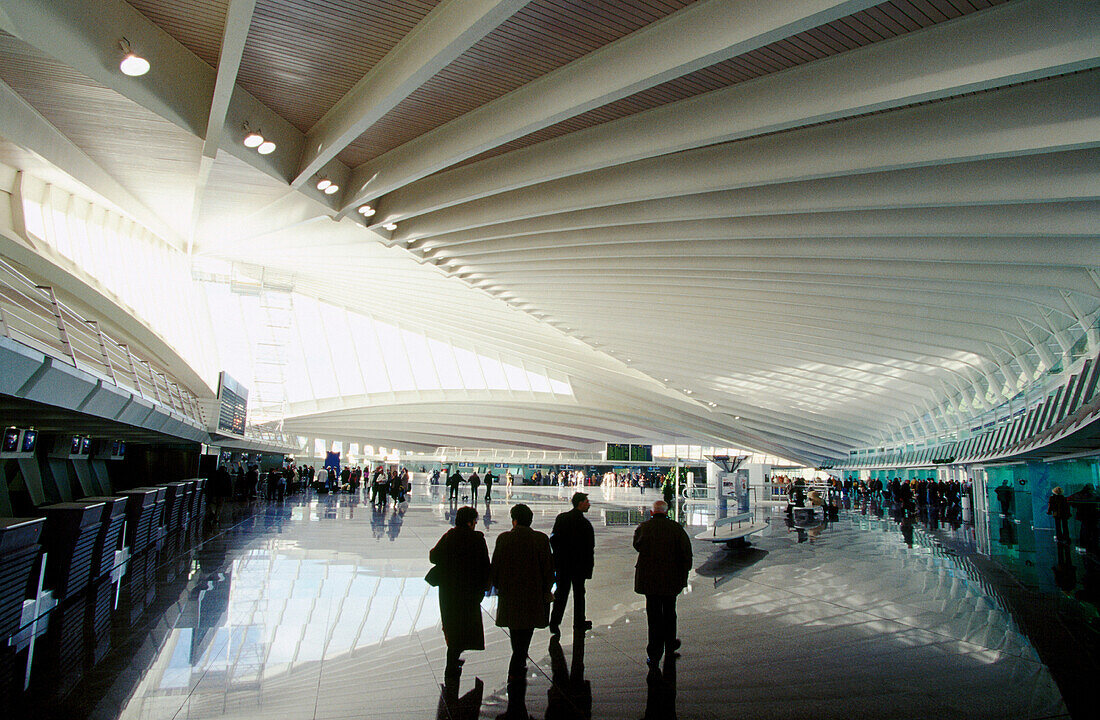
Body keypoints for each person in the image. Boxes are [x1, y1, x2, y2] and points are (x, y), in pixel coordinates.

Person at [491, 504, 554, 682]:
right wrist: (546, 588)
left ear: (514, 520)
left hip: (511, 595)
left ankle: (517, 663)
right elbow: (548, 568)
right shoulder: (541, 539)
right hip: (534, 595)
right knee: (527, 630)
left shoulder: (504, 539)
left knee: (515, 630)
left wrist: (498, 586)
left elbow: (495, 566)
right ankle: (519, 660)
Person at [429, 506, 490, 678]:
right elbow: (485, 565)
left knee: (451, 622)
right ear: (470, 522)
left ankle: (453, 657)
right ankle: (453, 658)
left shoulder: (450, 536)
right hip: (469, 589)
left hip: (449, 588)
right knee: (466, 622)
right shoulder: (477, 539)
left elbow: (434, 556)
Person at [633, 500, 692, 668]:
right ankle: (670, 644)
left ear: (652, 513)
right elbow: (686, 553)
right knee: (670, 613)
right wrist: (683, 576)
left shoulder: (644, 528)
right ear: (667, 512)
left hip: (650, 581)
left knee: (653, 617)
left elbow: (637, 545)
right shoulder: (676, 529)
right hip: (671, 580)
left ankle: (654, 653)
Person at [549, 492, 595, 636]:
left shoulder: (562, 518)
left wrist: (558, 557)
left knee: (561, 593)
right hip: (579, 566)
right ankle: (579, 622)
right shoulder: (585, 524)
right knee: (579, 594)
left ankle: (554, 622)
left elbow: (553, 539)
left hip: (563, 564)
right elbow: (589, 548)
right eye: (587, 501)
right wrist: (588, 568)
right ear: (580, 503)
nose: (589, 504)